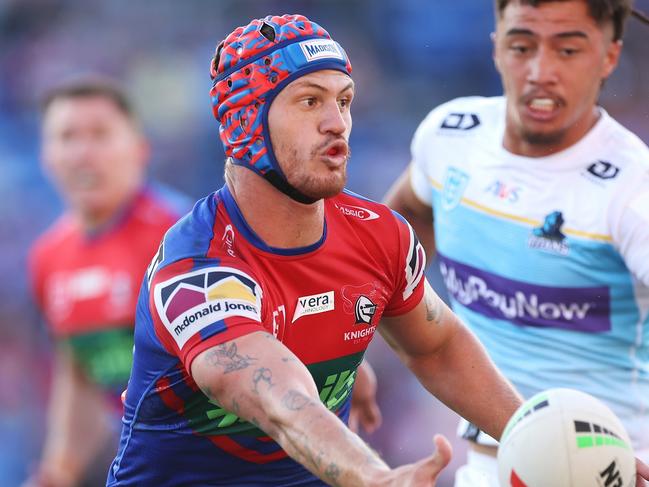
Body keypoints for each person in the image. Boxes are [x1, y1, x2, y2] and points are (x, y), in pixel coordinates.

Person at [106, 14, 522, 487]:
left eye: (344, 101)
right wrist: (372, 478)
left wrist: (539, 441)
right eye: (310, 102)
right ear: (245, 120)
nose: (337, 123)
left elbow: (438, 350)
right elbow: (283, 404)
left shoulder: (380, 233)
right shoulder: (197, 267)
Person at [384, 0, 649, 485]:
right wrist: (347, 347)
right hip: (490, 465)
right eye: (521, 46)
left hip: (612, 471)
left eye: (568, 50)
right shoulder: (450, 138)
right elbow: (392, 238)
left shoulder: (633, 189)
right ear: (496, 48)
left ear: (609, 57)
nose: (540, 71)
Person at [27, 78, 190, 487]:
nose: (83, 152)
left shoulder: (182, 236)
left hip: (223, 459)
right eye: (67, 137)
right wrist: (59, 469)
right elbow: (79, 370)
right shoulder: (49, 257)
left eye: (100, 134)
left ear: (140, 150)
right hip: (146, 463)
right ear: (46, 156)